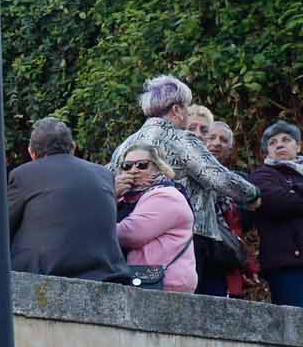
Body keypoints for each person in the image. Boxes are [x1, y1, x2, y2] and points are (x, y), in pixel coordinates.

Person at [110, 74, 261, 298]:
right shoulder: (181, 139)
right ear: (177, 109)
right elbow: (218, 177)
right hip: (188, 236)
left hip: (133, 229)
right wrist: (252, 195)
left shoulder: (125, 145)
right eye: (187, 109)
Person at [7, 117, 132, 282]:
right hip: (105, 270)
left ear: (31, 152)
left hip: (43, 270)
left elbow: (3, 226)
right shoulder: (104, 174)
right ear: (72, 147)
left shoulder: (24, 174)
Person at [114, 143, 198, 291]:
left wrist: (96, 226)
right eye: (127, 166)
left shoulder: (166, 195)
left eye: (142, 165)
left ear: (159, 167)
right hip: (140, 281)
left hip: (165, 285)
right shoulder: (125, 198)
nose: (134, 170)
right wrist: (113, 196)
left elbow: (130, 234)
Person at [248, 121, 303, 307]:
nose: (279, 144)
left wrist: (295, 190)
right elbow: (278, 203)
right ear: (267, 152)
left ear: (298, 146)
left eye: (286, 140)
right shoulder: (262, 175)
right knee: (295, 328)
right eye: (272, 142)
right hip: (287, 266)